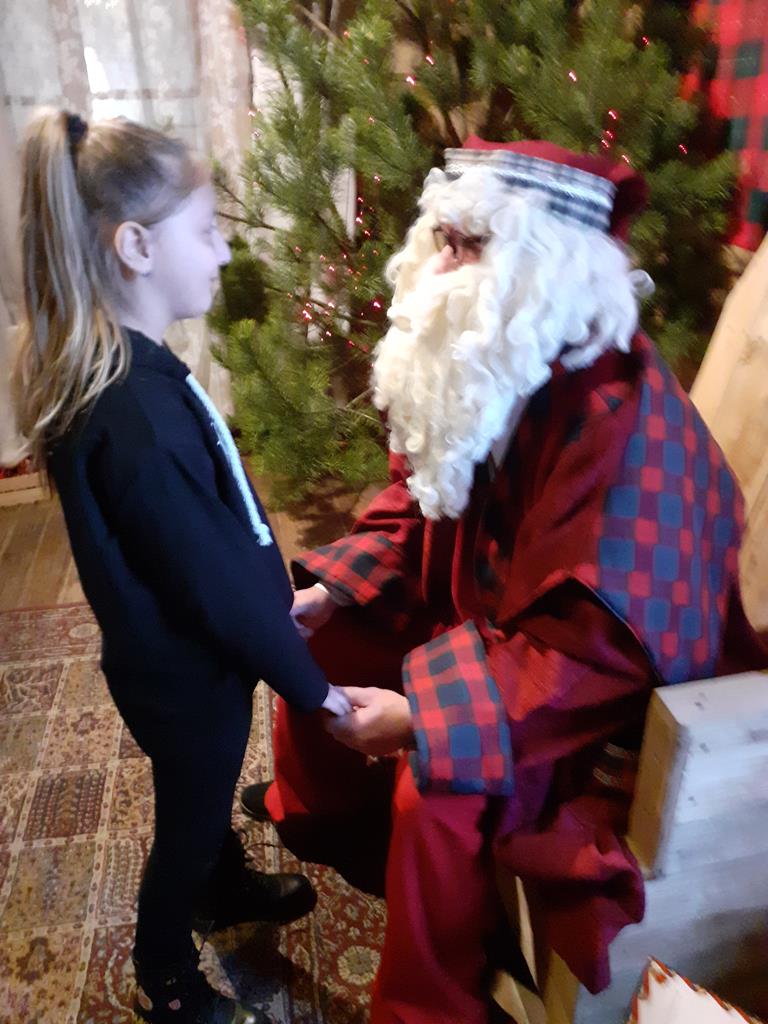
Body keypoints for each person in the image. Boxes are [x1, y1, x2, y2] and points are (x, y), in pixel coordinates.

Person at [241, 138, 768, 1024]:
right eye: (440, 237)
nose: (442, 264)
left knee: (439, 787)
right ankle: (325, 818)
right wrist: (332, 593)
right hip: (482, 627)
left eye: (471, 244)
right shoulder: (493, 361)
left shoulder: (631, 433)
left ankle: (429, 1005)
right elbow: (422, 500)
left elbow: (597, 655)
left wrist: (422, 717)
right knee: (320, 641)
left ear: (551, 269)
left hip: (591, 708)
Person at [13, 109, 351, 1024]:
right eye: (206, 232)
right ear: (135, 247)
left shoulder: (134, 376)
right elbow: (210, 581)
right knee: (190, 818)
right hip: (187, 678)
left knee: (197, 795)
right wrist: (316, 692)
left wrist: (281, 597)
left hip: (174, 665)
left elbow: (211, 539)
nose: (224, 251)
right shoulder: (136, 418)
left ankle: (222, 884)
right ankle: (162, 973)